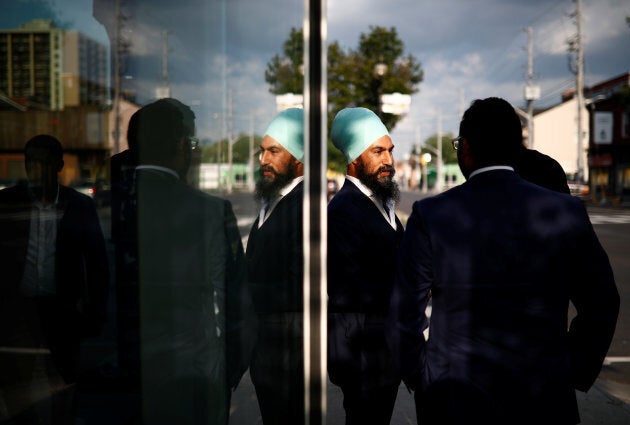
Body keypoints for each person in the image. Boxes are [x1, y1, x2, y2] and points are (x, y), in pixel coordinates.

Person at [388, 97, 620, 425]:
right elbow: (602, 303)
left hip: (455, 397)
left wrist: (420, 377)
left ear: (466, 148)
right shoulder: (565, 212)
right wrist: (572, 369)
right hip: (543, 395)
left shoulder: (432, 214)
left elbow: (404, 315)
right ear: (517, 147)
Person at [125, 98, 255, 425]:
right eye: (193, 142)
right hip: (194, 376)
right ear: (181, 145)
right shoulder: (211, 211)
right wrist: (226, 373)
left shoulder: (113, 206)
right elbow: (236, 303)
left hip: (121, 375)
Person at [0, 134, 109, 423]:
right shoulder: (7, 203)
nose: (36, 171)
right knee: (17, 390)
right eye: (31, 164)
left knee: (63, 389)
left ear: (58, 166)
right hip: (17, 312)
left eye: (44, 164)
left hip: (62, 312)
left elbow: (98, 264)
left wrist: (94, 315)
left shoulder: (79, 206)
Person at [327, 107, 403, 425]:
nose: (388, 160)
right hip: (361, 354)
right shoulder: (343, 209)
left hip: (382, 349)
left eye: (389, 151)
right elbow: (346, 290)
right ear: (355, 159)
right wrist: (409, 288)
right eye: (377, 151)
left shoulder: (379, 203)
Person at [245, 107, 305, 425]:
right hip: (270, 347)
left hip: (289, 351)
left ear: (299, 158)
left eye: (274, 151)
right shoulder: (276, 200)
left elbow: (299, 286)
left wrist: (242, 291)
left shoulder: (304, 207)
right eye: (262, 151)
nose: (263, 160)